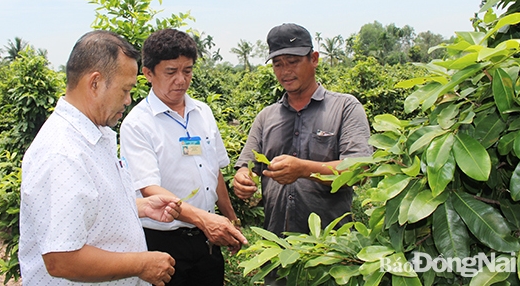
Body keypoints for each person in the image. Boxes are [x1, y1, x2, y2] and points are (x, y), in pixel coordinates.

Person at [19, 30, 181, 286]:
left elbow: (86, 209)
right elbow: (61, 258)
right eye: (125, 89)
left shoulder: (95, 135)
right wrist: (142, 263)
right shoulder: (63, 152)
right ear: (94, 83)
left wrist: (139, 207)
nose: (129, 100)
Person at [120, 28, 248, 286]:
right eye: (171, 72)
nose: (181, 80)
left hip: (205, 238)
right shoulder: (137, 124)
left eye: (187, 71)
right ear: (148, 73)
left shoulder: (203, 112)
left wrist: (230, 219)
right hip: (162, 241)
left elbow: (214, 173)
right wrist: (205, 219)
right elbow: (149, 189)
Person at [233, 23, 372, 236]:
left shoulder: (345, 107)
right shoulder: (266, 117)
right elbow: (246, 166)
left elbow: (357, 171)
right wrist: (243, 179)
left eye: (293, 62)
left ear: (314, 59)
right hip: (277, 244)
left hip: (330, 246)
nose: (285, 71)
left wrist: (304, 169)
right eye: (278, 64)